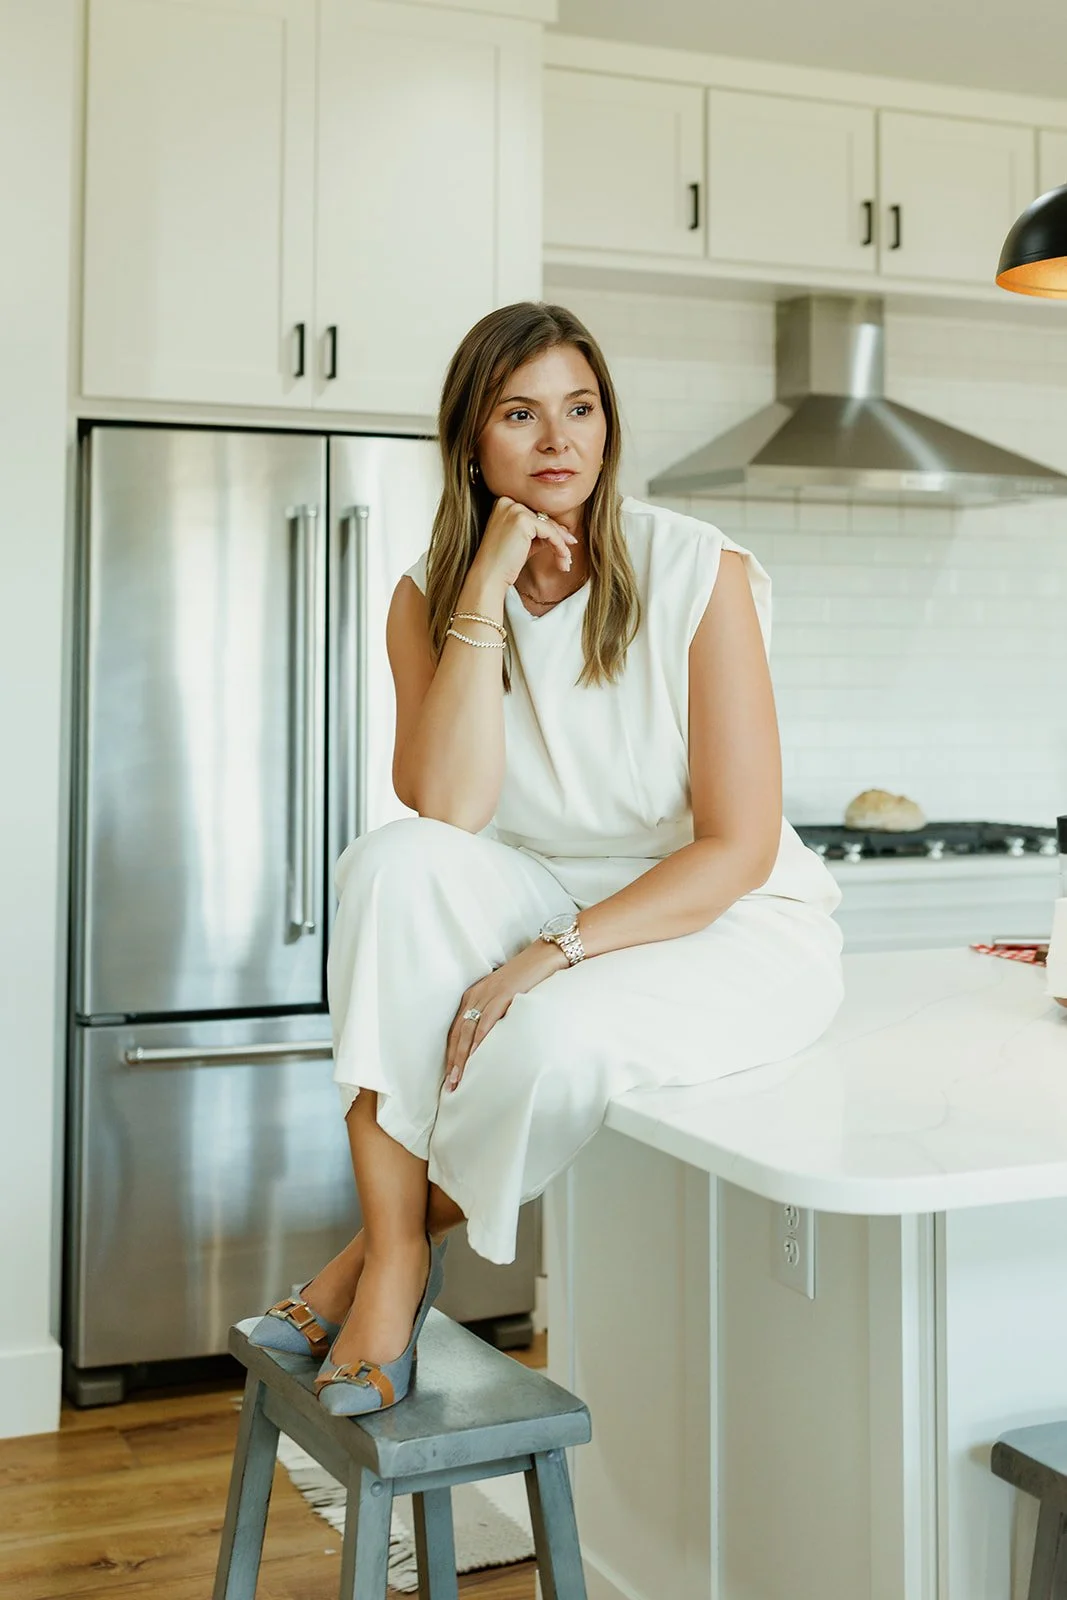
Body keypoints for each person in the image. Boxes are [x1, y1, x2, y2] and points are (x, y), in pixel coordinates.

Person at [250, 301, 845, 1415]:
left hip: (725, 918)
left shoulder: (693, 570)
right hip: (539, 879)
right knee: (389, 863)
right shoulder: (427, 598)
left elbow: (736, 846)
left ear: (608, 428)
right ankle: (398, 1259)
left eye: (579, 409)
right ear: (472, 443)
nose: (558, 440)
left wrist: (548, 954)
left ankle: (378, 1252)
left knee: (555, 1039)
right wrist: (479, 589)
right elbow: (446, 805)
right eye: (520, 415)